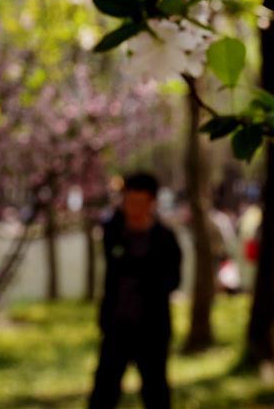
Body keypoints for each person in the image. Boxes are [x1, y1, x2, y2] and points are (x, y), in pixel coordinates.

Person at [87, 172, 181, 409]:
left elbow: (173, 281)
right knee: (104, 390)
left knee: (156, 390)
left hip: (152, 328)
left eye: (140, 202)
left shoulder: (165, 238)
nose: (133, 208)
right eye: (129, 201)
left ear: (152, 203)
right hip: (117, 324)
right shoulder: (113, 231)